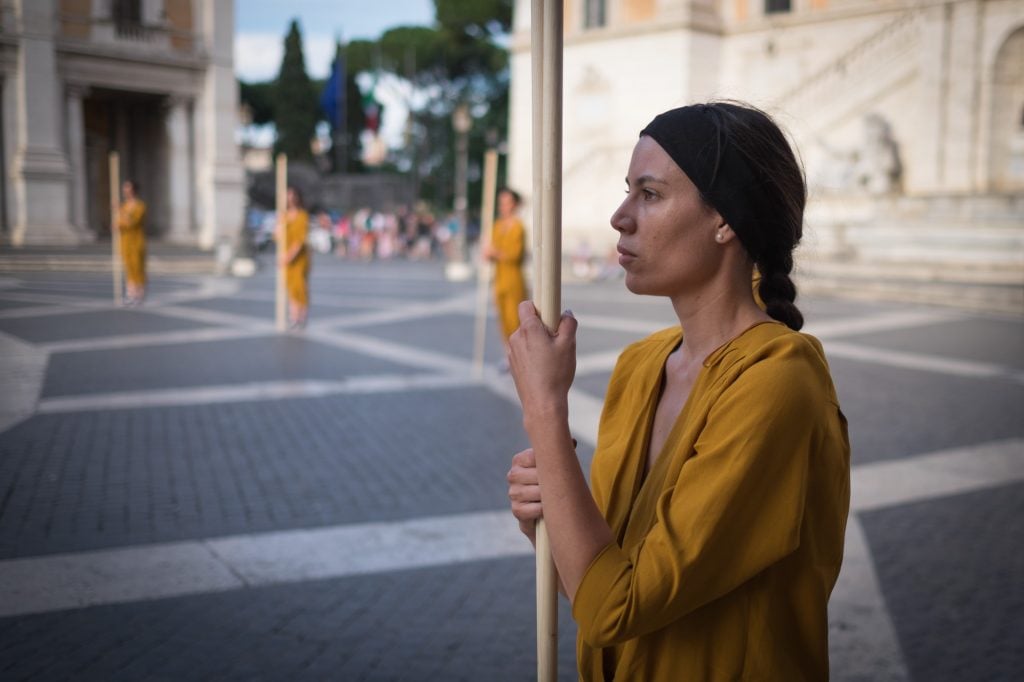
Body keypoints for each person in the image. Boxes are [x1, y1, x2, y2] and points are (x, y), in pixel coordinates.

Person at [506, 102, 851, 680]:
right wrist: (548, 518)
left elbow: (618, 606)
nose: (620, 217)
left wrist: (545, 409)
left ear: (725, 220)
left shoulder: (776, 383)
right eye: (627, 191)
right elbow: (596, 593)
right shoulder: (640, 366)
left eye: (650, 194)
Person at [483, 188, 528, 348]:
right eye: (501, 203)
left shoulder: (518, 227)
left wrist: (495, 252)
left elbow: (516, 255)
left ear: (514, 205)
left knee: (514, 319)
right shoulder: (497, 225)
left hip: (513, 279)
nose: (503, 207)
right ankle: (508, 352)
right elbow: (491, 253)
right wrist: (488, 254)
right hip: (499, 279)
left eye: (506, 203)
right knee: (503, 319)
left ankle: (519, 352)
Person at [278, 186, 310, 329]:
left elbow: (300, 240)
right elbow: (278, 237)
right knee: (290, 287)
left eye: (292, 195)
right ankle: (293, 315)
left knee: (299, 288)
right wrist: (278, 228)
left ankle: (301, 317)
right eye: (287, 196)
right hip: (285, 255)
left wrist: (289, 256)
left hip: (299, 258)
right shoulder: (283, 216)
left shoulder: (302, 215)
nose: (290, 198)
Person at [116, 179, 147, 305]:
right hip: (125, 241)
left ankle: (139, 294)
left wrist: (121, 212)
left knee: (137, 268)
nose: (125, 191)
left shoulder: (140, 206)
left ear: (133, 190)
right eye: (124, 188)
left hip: (137, 241)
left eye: (127, 188)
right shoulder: (124, 206)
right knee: (128, 267)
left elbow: (132, 222)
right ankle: (130, 293)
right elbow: (119, 224)